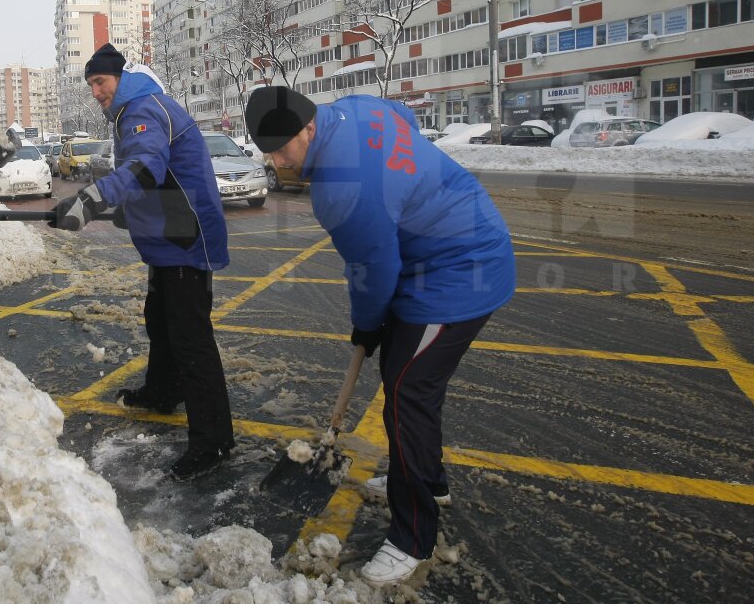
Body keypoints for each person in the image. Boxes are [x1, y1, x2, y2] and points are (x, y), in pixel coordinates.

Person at [245, 85, 515, 586]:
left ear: (309, 127)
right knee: (414, 385)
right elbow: (401, 116)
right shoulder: (356, 108)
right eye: (268, 152)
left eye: (282, 149)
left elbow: (374, 271)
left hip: (458, 272)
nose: (278, 162)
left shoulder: (341, 190)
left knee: (406, 393)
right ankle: (428, 480)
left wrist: (367, 326)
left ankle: (413, 538)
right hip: (453, 244)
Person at [51, 43, 234, 481]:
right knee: (161, 320)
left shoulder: (142, 109)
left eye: (100, 81)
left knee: (191, 339)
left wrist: (91, 199)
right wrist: (125, 210)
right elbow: (157, 179)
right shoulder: (136, 108)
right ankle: (163, 392)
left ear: (120, 78)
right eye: (91, 84)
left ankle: (213, 442)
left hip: (186, 240)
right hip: (169, 238)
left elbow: (146, 167)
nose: (96, 91)